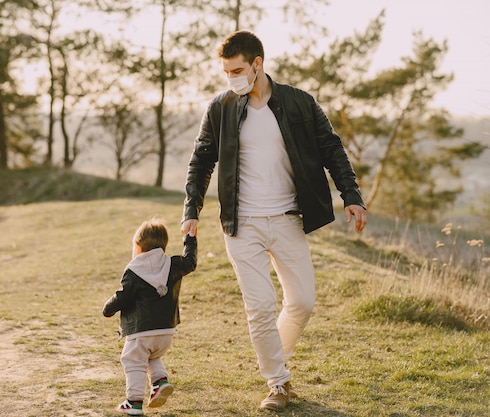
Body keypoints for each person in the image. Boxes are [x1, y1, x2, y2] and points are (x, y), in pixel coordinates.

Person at [180, 30, 367, 410]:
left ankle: (271, 358)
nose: (231, 78)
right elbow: (202, 159)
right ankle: (277, 383)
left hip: (287, 218)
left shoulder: (299, 103)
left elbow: (332, 148)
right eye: (226, 72)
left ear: (257, 65)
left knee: (303, 302)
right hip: (242, 222)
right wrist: (191, 210)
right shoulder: (221, 107)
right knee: (261, 307)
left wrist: (352, 196)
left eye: (237, 70)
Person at [103, 219, 197, 415]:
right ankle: (160, 382)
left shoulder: (134, 271)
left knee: (133, 360)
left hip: (141, 331)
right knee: (151, 356)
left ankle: (134, 401)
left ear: (137, 246)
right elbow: (190, 262)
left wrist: (108, 309)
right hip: (166, 331)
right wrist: (190, 238)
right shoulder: (172, 264)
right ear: (164, 244)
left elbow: (123, 295)